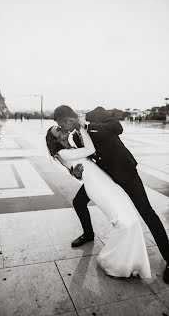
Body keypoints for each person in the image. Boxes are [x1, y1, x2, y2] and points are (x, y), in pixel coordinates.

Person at [53, 105, 169, 283]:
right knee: (79, 202)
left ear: (68, 119)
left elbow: (118, 128)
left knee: (146, 211)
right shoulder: (74, 137)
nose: (63, 129)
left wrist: (88, 125)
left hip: (125, 172)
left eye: (61, 125)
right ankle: (89, 234)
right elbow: (84, 158)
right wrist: (73, 172)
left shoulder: (96, 114)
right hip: (105, 178)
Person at [46, 125, 151, 278]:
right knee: (120, 220)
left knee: (128, 216)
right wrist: (81, 127)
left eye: (61, 127)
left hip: (103, 177)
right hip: (95, 184)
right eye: (59, 131)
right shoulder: (62, 152)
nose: (63, 129)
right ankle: (111, 259)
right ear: (56, 140)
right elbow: (88, 151)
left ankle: (128, 259)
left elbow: (74, 166)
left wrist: (74, 172)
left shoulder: (72, 142)